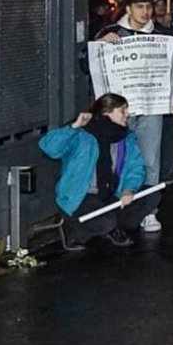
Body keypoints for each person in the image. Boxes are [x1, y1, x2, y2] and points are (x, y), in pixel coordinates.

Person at [93, 0, 173, 234]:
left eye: (148, 6)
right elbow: (86, 62)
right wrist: (99, 45)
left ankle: (149, 211)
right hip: (119, 111)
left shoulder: (164, 35)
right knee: (117, 157)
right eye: (139, 6)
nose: (145, 11)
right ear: (128, 8)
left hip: (151, 107)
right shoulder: (110, 33)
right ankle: (117, 204)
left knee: (150, 159)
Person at [41, 93, 151, 250]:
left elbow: (136, 167)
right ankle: (75, 231)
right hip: (82, 195)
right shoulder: (81, 134)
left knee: (151, 195)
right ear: (107, 112)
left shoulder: (125, 138)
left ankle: (114, 226)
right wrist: (73, 127)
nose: (127, 114)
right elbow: (49, 148)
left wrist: (128, 189)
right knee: (106, 221)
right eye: (122, 110)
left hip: (112, 192)